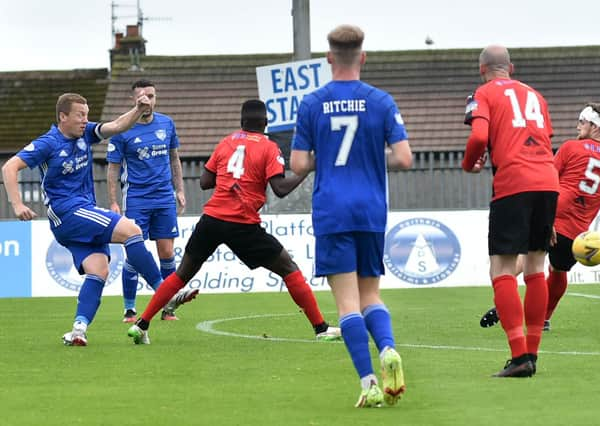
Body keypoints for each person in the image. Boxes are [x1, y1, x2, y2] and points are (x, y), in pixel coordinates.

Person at [126, 99, 341, 344]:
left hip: (212, 220)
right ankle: (321, 328)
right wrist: (306, 170)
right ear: (265, 123)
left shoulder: (227, 142)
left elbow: (205, 181)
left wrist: (230, 180)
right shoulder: (269, 147)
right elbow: (280, 189)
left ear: (241, 122)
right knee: (288, 268)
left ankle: (142, 324)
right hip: (242, 223)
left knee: (181, 275)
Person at [1, 93, 194, 346]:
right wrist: (17, 204)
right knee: (132, 230)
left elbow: (116, 126)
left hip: (79, 215)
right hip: (68, 213)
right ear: (63, 116)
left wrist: (137, 109)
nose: (85, 120)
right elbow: (9, 167)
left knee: (99, 271)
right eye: (80, 115)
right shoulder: (48, 142)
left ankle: (78, 330)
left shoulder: (86, 134)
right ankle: (165, 293)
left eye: (87, 114)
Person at [290, 24, 412, 408]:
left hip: (333, 210)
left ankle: (369, 382)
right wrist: (373, 155)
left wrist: (323, 155)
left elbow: (297, 163)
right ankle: (388, 348)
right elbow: (405, 158)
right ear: (363, 57)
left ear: (329, 58)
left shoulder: (312, 103)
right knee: (371, 294)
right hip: (371, 209)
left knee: (346, 305)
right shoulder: (381, 101)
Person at [479, 102, 600, 331]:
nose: (577, 125)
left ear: (595, 126)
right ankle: (544, 319)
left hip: (552, 217)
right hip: (578, 234)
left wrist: (545, 218)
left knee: (523, 262)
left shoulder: (571, 148)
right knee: (559, 271)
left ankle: (504, 302)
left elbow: (548, 180)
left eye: (582, 122)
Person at [462, 45, 560, 377]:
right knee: (535, 265)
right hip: (548, 180)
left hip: (514, 182)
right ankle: (531, 354)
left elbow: (478, 136)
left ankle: (519, 357)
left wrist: (469, 163)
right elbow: (544, 138)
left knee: (502, 268)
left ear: (482, 70)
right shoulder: (537, 96)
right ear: (511, 68)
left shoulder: (483, 92)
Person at [107, 79, 190, 322]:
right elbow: (112, 169)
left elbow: (174, 159)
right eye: (142, 97)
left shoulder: (167, 123)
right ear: (133, 100)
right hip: (136, 198)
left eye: (151, 96)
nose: (147, 101)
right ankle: (130, 308)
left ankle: (168, 308)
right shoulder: (122, 129)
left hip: (164, 197)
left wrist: (180, 190)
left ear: (155, 98)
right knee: (135, 252)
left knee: (166, 252)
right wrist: (113, 201)